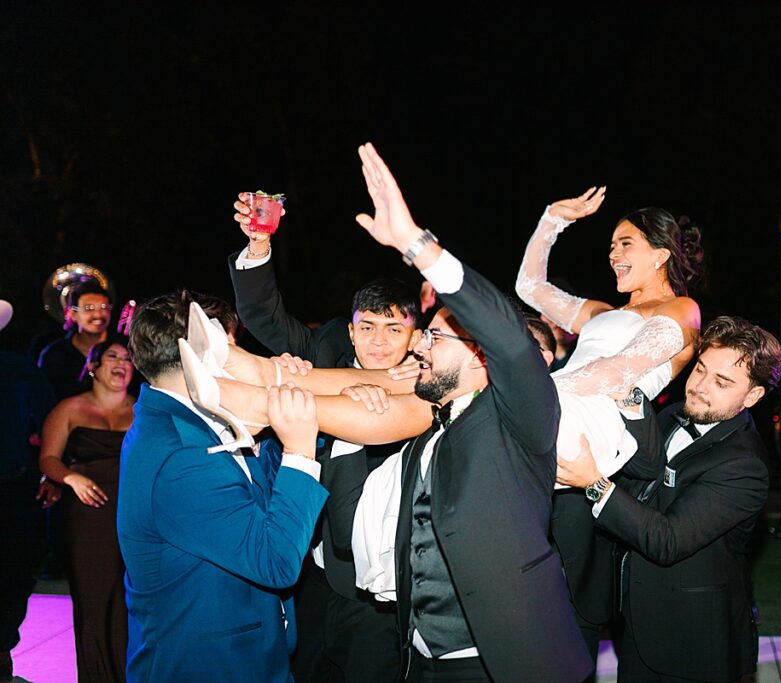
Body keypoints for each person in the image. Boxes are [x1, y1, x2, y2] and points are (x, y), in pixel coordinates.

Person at [344, 142, 591, 682]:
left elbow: (506, 332)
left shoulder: (521, 414)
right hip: (422, 663)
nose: (418, 347)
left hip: (507, 663)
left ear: (479, 352)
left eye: (432, 336)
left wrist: (414, 243)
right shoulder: (429, 430)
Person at [228, 206, 421, 683]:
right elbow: (260, 314)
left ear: (415, 335)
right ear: (351, 328)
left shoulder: (426, 379)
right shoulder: (322, 353)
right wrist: (258, 246)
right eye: (368, 327)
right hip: (308, 566)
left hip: (378, 584)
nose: (378, 342)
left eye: (394, 329)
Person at [116, 291, 328, 683]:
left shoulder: (186, 422)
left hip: (248, 651)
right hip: (210, 663)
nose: (242, 361)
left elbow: (252, 496)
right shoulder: (180, 455)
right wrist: (299, 448)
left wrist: (274, 405)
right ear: (204, 357)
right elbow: (275, 560)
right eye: (231, 349)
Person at [557, 315, 781, 683]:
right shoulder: (674, 414)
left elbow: (668, 540)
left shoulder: (745, 466)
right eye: (700, 370)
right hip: (637, 623)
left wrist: (593, 483)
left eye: (722, 382)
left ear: (752, 396)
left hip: (691, 642)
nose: (699, 387)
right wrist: (627, 395)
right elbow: (643, 473)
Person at [515, 188, 702, 478]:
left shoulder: (683, 309)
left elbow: (618, 372)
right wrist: (552, 219)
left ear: (660, 255)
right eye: (612, 246)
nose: (614, 254)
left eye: (625, 244)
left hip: (590, 422)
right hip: (554, 405)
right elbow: (528, 286)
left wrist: (534, 390)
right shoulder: (601, 313)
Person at [37, 336, 133, 682]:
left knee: (130, 600)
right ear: (93, 366)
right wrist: (71, 478)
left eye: (128, 358)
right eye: (112, 356)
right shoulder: (70, 409)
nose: (122, 363)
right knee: (93, 598)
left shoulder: (143, 411)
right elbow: (47, 458)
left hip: (133, 516)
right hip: (88, 516)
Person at [0, 300, 58, 683]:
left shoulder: (18, 368)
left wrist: (50, 473)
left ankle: (1, 648)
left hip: (12, 488)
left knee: (15, 573)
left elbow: (49, 416)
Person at [37, 281, 113, 401]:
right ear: (72, 314)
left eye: (104, 307)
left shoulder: (124, 349)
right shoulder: (54, 354)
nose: (98, 314)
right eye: (89, 308)